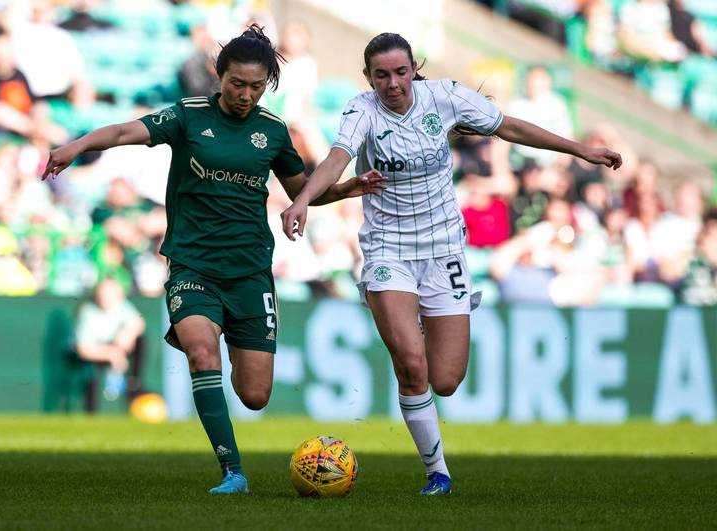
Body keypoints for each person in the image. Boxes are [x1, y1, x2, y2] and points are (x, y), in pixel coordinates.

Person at [42, 25, 384, 495]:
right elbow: (125, 129)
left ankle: (228, 349)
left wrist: (348, 188)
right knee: (202, 354)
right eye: (236, 84)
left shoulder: (272, 130)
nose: (245, 95)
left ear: (268, 85)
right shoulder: (187, 116)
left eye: (256, 86)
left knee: (254, 394)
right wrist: (77, 145)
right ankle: (232, 472)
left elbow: (302, 191)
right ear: (219, 76)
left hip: (250, 272)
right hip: (192, 266)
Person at [281, 32, 622, 496]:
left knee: (445, 380)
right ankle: (437, 472)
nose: (393, 83)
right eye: (381, 75)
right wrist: (303, 199)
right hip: (388, 250)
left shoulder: (446, 97)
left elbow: (510, 127)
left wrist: (580, 150)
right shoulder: (361, 110)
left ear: (414, 68)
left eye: (401, 72)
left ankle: (421, 335)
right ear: (369, 77)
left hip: (444, 252)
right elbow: (336, 160)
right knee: (411, 362)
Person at [74, 275, 146, 411]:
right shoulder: (87, 312)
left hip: (118, 351)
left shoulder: (122, 306)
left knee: (141, 339)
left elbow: (139, 323)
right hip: (95, 356)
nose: (105, 297)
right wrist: (111, 354)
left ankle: (134, 383)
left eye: (110, 294)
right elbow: (83, 349)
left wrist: (127, 334)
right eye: (102, 293)